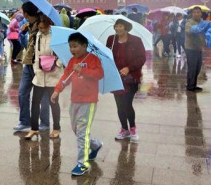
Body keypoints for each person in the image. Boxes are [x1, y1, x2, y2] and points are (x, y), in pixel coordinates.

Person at [51, 32, 104, 176]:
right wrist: (57, 90)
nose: (72, 50)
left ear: (85, 46)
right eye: (70, 47)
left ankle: (83, 163)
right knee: (77, 130)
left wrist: (83, 70)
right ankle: (95, 145)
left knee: (82, 132)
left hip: (89, 101)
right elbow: (65, 77)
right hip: (75, 100)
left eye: (75, 46)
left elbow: (99, 74)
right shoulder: (72, 61)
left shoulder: (93, 59)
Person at [106, 18, 146, 142]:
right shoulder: (111, 40)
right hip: (116, 77)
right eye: (116, 26)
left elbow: (141, 58)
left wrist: (129, 68)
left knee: (127, 104)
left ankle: (133, 128)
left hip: (131, 78)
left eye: (121, 26)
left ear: (126, 27)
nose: (118, 29)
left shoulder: (136, 40)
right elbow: (107, 55)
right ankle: (124, 129)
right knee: (119, 105)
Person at [13, 2, 50, 133]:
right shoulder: (29, 25)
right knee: (23, 92)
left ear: (26, 13)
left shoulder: (43, 24)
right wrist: (24, 30)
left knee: (43, 95)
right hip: (28, 63)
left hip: (41, 64)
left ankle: (45, 123)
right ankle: (24, 121)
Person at [24, 16, 63, 140]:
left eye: (43, 28)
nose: (41, 30)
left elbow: (62, 54)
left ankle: (56, 128)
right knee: (35, 103)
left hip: (53, 76)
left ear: (49, 25)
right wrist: (36, 70)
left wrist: (56, 65)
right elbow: (36, 54)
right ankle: (34, 128)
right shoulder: (38, 36)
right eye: (39, 28)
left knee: (53, 103)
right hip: (40, 75)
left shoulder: (57, 36)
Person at [185, 6, 206, 92]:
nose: (196, 14)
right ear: (192, 14)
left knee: (198, 68)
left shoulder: (203, 22)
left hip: (199, 48)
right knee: (192, 68)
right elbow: (189, 32)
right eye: (195, 12)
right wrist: (196, 29)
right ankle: (190, 86)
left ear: (201, 14)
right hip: (191, 48)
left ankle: (194, 84)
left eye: (198, 12)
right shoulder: (189, 23)